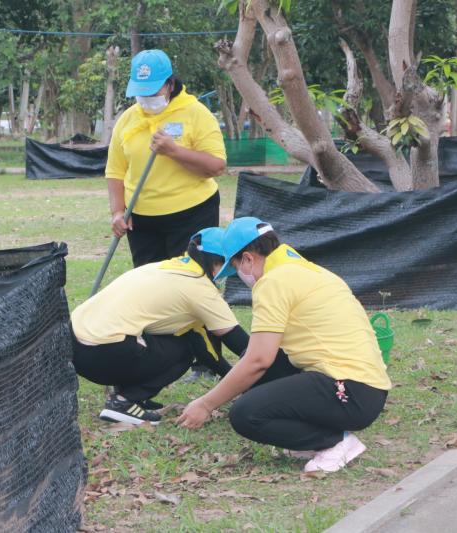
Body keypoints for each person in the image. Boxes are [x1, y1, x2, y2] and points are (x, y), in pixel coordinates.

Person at [177, 217, 392, 473]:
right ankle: (309, 433)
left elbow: (259, 360)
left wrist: (206, 404)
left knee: (246, 414)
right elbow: (261, 355)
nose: (240, 277)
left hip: (350, 392)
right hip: (367, 388)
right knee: (255, 368)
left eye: (236, 268)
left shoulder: (273, 281)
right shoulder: (308, 270)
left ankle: (335, 443)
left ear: (248, 258)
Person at [107, 49, 227, 382]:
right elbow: (115, 171)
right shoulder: (129, 120)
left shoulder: (195, 113)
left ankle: (208, 359)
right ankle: (161, 353)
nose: (146, 99)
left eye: (153, 91)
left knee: (195, 285)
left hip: (191, 212)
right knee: (149, 285)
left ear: (170, 84)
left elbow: (217, 166)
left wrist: (174, 151)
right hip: (142, 219)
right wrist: (118, 211)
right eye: (140, 93)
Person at [70, 228, 250, 425]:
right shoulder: (200, 288)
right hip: (104, 353)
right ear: (217, 262)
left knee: (155, 336)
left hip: (75, 347)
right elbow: (238, 345)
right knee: (186, 348)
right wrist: (244, 381)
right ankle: (124, 402)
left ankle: (129, 396)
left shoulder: (164, 267)